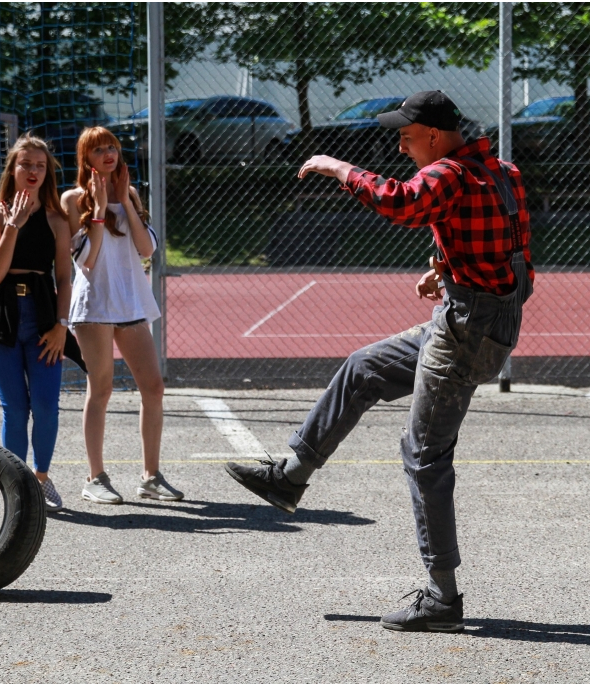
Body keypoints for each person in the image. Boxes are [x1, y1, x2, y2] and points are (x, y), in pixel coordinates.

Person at [224, 91, 533, 633]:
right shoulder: (499, 170)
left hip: (465, 329)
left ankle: (442, 597)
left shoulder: (446, 174)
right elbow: (513, 251)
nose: (399, 145)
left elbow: (399, 202)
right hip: (473, 319)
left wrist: (333, 167)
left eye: (406, 136)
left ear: (434, 136)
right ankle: (290, 478)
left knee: (425, 454)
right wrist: (446, 270)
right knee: (364, 366)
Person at [61, 126, 182, 504]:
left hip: (130, 304)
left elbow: (147, 250)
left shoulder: (129, 193)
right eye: (99, 150)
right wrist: (97, 209)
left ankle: (150, 477)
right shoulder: (72, 200)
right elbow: (88, 259)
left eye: (112, 147)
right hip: (94, 305)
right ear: (86, 159)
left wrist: (127, 202)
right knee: (101, 389)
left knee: (154, 388)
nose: (108, 154)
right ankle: (94, 477)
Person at [0, 134, 86, 513]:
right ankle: (15, 484)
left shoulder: (55, 219)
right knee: (14, 409)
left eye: (40, 165)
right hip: (2, 318)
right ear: (13, 169)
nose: (33, 171)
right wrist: (13, 225)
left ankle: (39, 477)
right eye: (26, 164)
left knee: (47, 406)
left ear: (48, 171)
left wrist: (60, 325)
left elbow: (65, 279)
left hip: (43, 317)